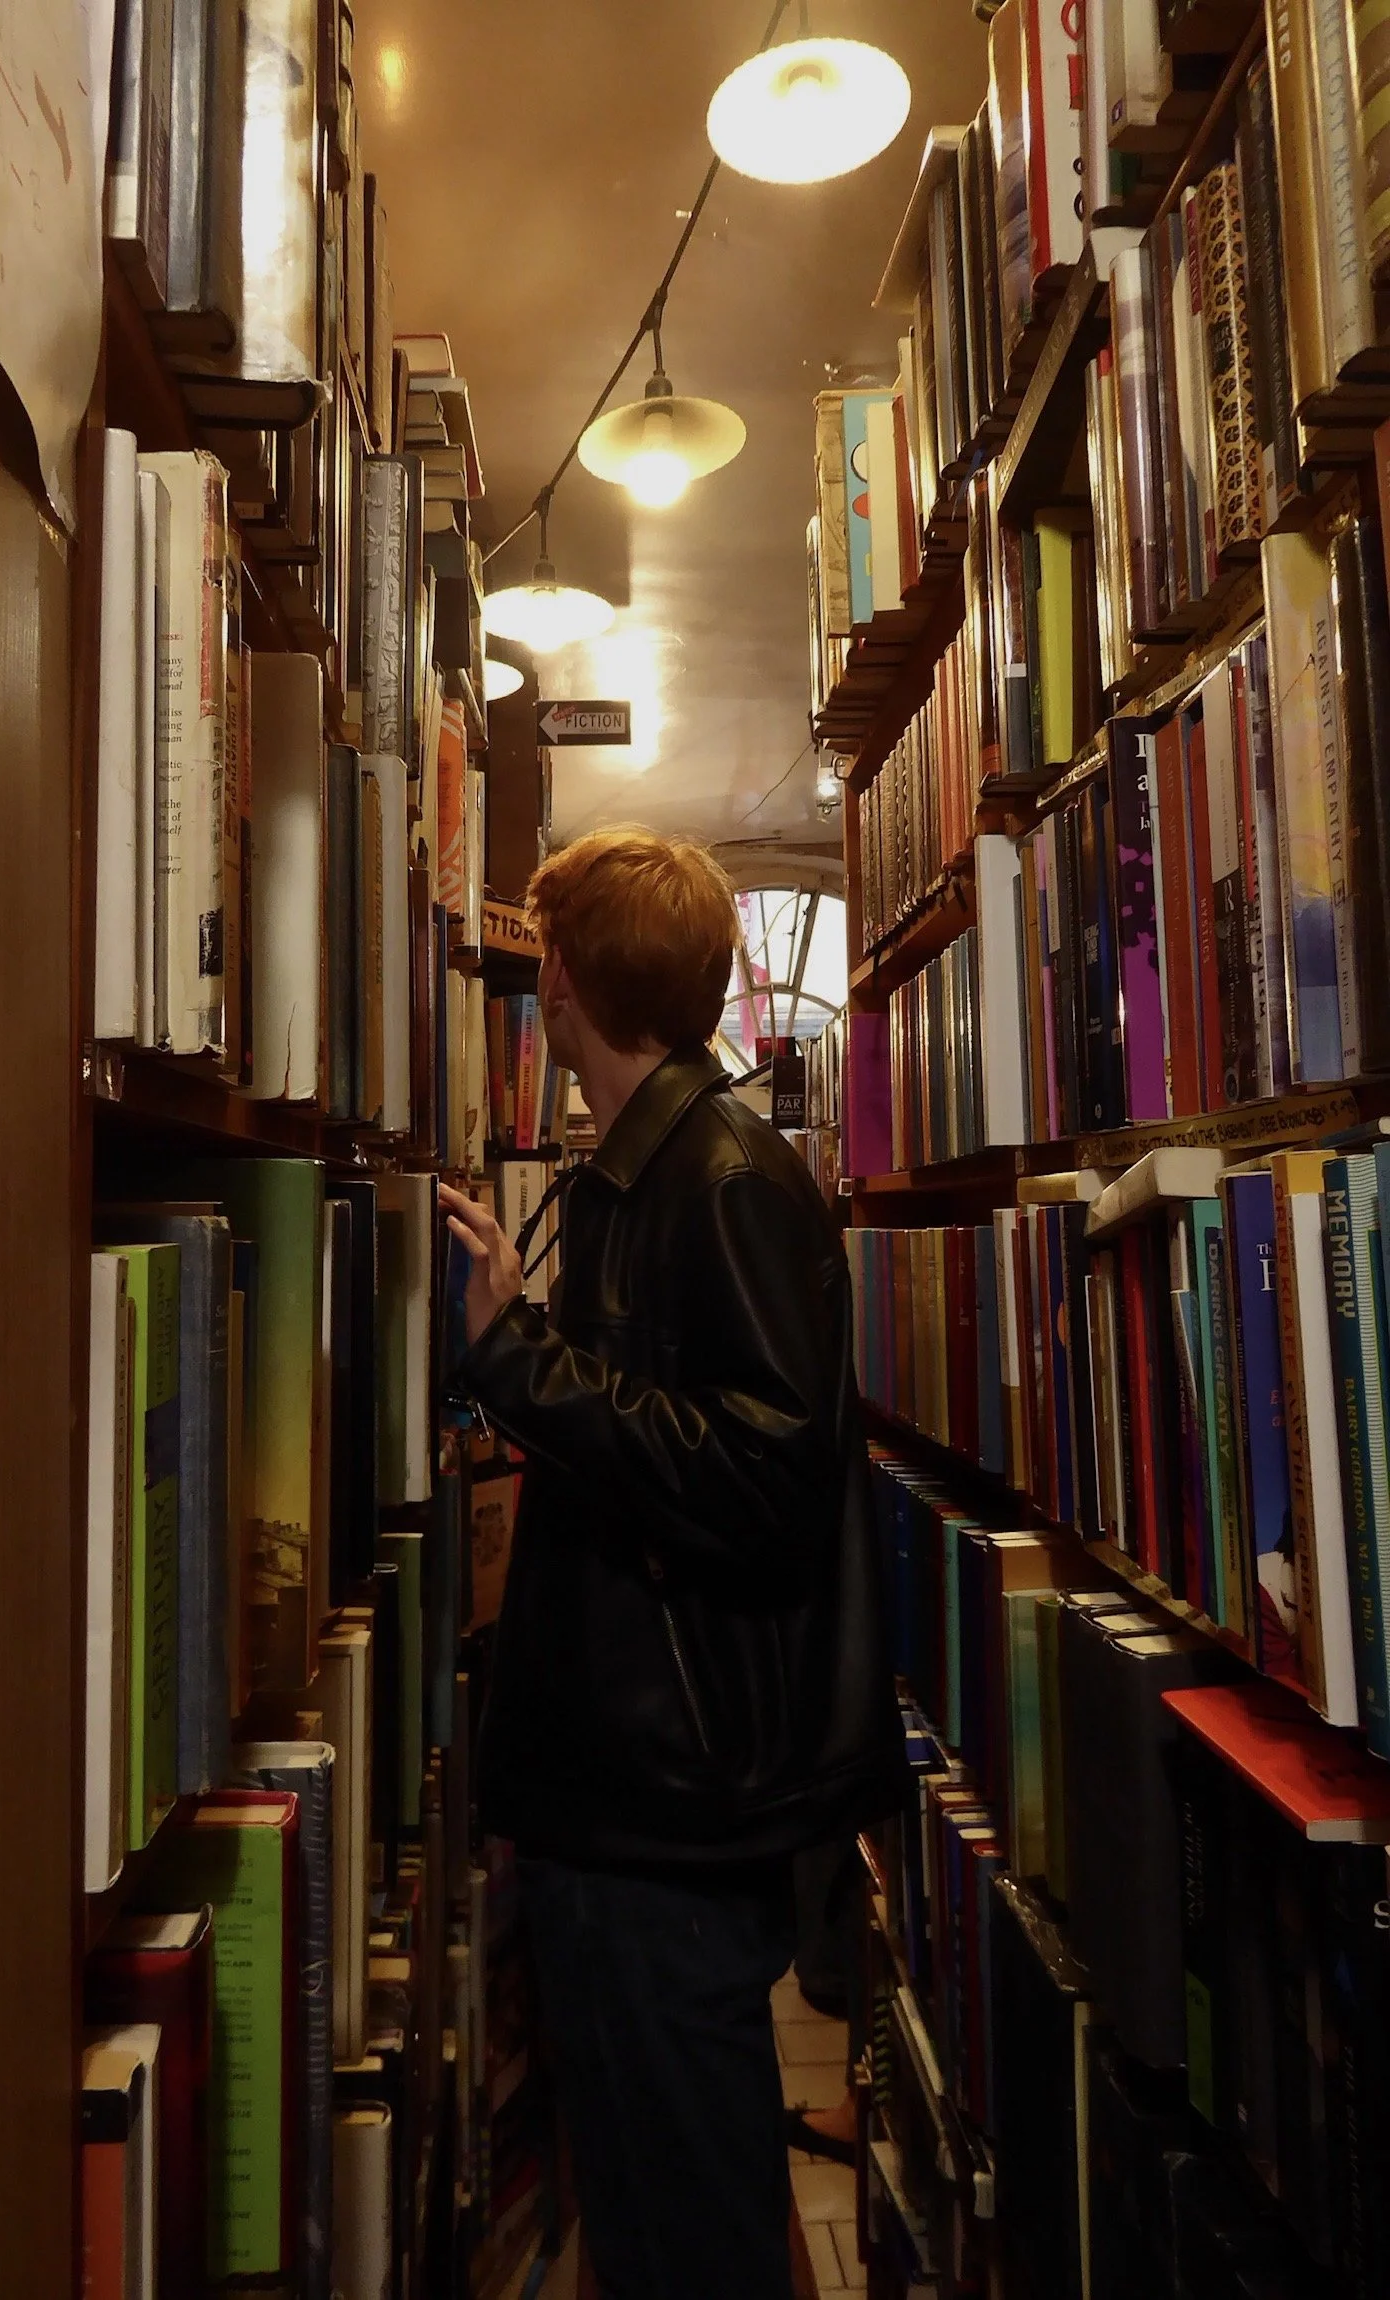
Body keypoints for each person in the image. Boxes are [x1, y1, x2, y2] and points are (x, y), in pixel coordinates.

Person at [440, 828, 907, 2300]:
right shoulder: (657, 1170)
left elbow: (759, 1473)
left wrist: (517, 1358)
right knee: (655, 2210)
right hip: (632, 1803)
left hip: (672, 1812)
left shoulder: (726, 1176)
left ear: (566, 981)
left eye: (543, 952)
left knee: (688, 2226)